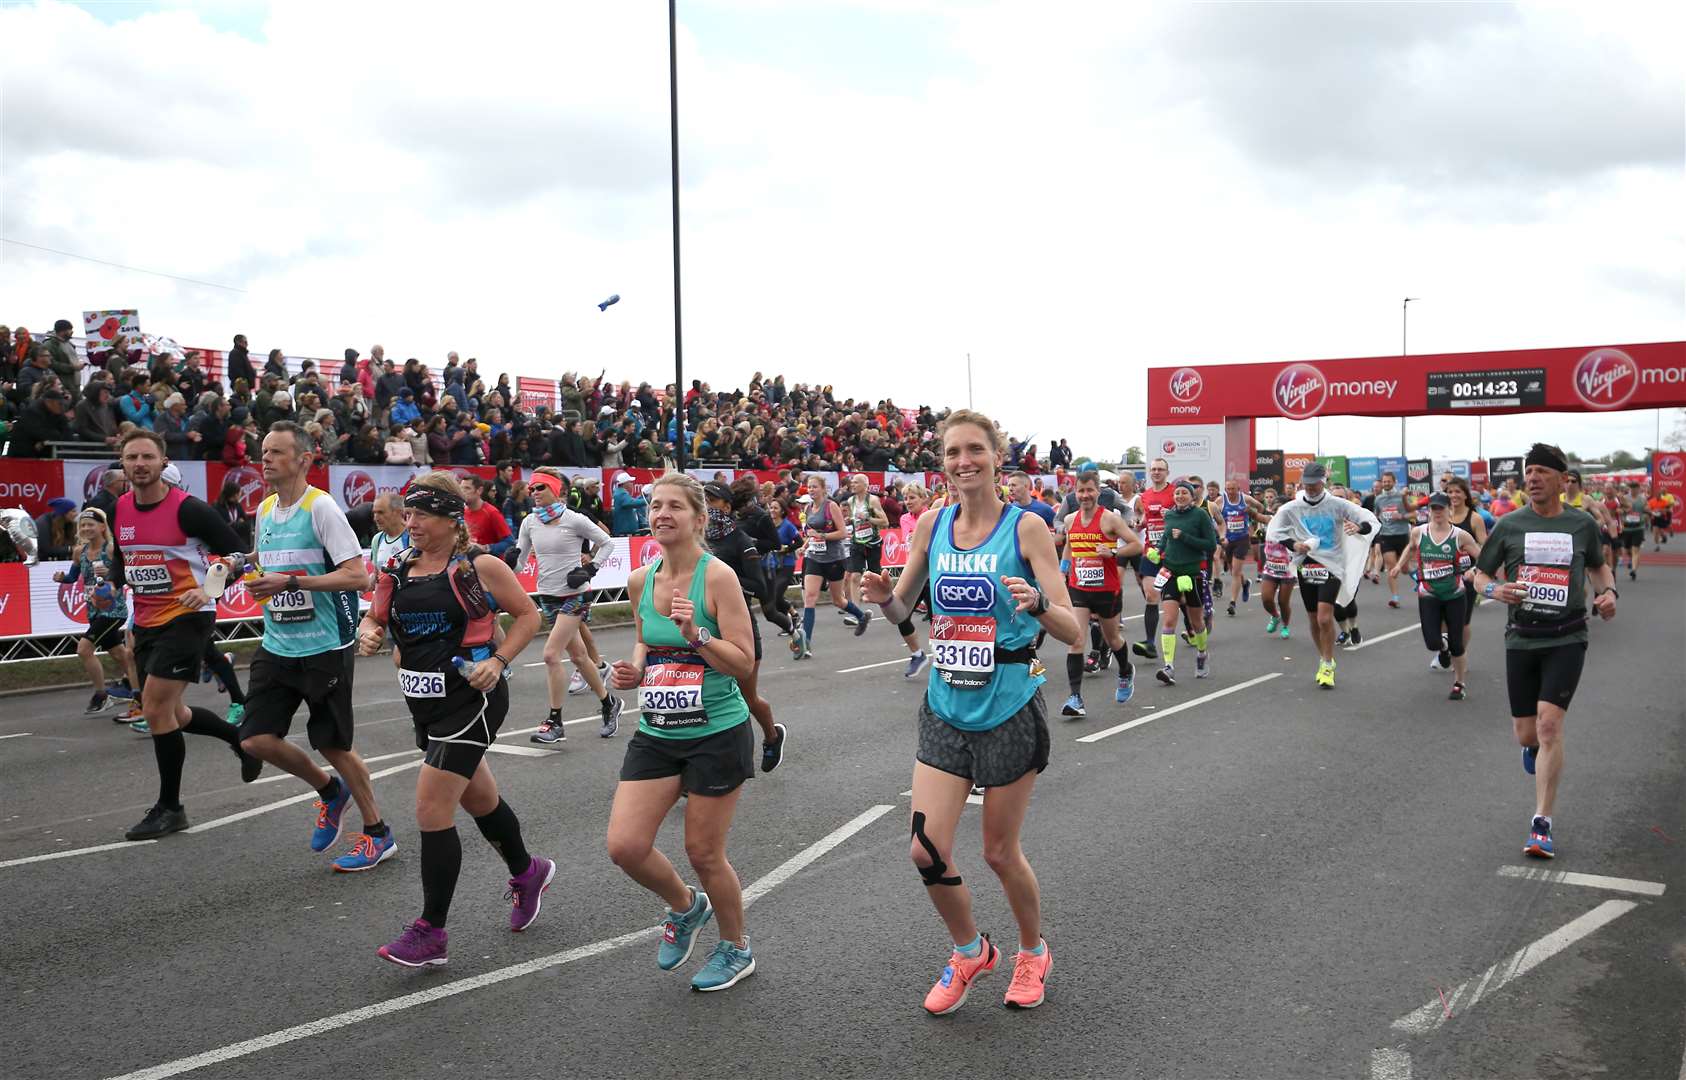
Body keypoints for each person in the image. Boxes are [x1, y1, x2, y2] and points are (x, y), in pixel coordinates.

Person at [859, 409, 1080, 1014]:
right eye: (954, 451)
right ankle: (970, 951)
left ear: (995, 457)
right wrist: (885, 599)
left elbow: (1073, 631)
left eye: (975, 450)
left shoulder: (1027, 529)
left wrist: (1036, 604)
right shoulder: (932, 524)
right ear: (944, 462)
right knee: (925, 849)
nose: (964, 461)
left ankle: (1032, 951)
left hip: (1008, 703)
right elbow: (905, 609)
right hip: (945, 704)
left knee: (999, 853)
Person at [358, 471, 547, 967]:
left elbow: (529, 617)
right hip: (424, 701)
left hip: (473, 699)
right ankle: (529, 872)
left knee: (430, 810)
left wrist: (498, 660)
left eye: (421, 514)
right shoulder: (397, 568)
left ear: (449, 518)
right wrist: (372, 633)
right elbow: (375, 616)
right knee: (480, 799)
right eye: (408, 513)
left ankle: (431, 933)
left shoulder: (479, 566)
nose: (410, 522)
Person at [605, 473, 761, 992]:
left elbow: (743, 663)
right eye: (655, 505)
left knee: (704, 852)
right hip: (658, 729)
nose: (661, 514)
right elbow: (646, 643)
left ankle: (736, 948)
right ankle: (685, 906)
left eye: (675, 506)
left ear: (698, 518)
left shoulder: (717, 578)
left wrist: (698, 636)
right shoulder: (639, 580)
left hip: (717, 731)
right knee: (625, 845)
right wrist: (632, 671)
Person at [234, 422, 394, 870]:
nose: (265, 459)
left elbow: (356, 575)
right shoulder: (265, 509)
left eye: (276, 452)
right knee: (255, 739)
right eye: (263, 451)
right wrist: (240, 564)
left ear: (304, 460)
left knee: (333, 743)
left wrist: (292, 581)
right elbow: (267, 561)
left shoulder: (321, 507)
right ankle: (329, 790)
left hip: (325, 643)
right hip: (278, 643)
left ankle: (378, 833)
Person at [112, 430, 263, 841]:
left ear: (163, 462)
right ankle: (239, 738)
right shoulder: (120, 507)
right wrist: (111, 582)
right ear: (122, 464)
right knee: (175, 715)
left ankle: (171, 808)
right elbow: (120, 559)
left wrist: (209, 588)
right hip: (146, 621)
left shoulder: (189, 510)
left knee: (156, 710)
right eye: (131, 458)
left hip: (188, 618)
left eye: (147, 456)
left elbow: (242, 556)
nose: (139, 464)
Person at [1473, 444, 1616, 860]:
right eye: (1528, 472)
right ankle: (1531, 747)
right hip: (1522, 636)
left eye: (1540, 472)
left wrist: (1608, 592)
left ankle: (1542, 824)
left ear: (1561, 479)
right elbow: (1480, 575)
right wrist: (1495, 589)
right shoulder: (1509, 524)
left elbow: (1598, 566)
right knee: (1528, 732)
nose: (1531, 478)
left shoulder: (1582, 524)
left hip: (1567, 636)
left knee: (1550, 725)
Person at [520, 469, 624, 745]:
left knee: (551, 655)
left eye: (540, 487)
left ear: (556, 489)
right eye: (531, 489)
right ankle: (609, 703)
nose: (534, 492)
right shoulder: (530, 522)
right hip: (548, 595)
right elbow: (518, 562)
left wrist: (590, 569)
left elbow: (607, 543)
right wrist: (506, 561)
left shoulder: (574, 519)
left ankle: (555, 721)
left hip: (574, 595)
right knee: (579, 657)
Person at [1265, 462, 1377, 689]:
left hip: (1332, 565)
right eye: (1307, 484)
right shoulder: (1292, 507)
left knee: (1324, 618)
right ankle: (1325, 658)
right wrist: (1294, 544)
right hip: (1306, 564)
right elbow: (1275, 532)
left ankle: (1326, 664)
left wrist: (1358, 528)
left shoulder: (1336, 504)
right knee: (1313, 618)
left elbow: (1368, 520)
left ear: (1322, 482)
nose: (1311, 488)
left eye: (1315, 484)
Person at [704, 481, 787, 771]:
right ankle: (699, 764)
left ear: (727, 507)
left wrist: (723, 580)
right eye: (703, 500)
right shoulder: (697, 538)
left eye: (712, 501)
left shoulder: (742, 541)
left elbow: (762, 590)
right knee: (703, 696)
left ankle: (772, 736)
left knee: (746, 698)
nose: (706, 506)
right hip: (704, 627)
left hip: (739, 628)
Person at [1056, 470, 1140, 714]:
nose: (1085, 495)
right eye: (1081, 491)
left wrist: (1113, 553)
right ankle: (1075, 699)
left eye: (1090, 490)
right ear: (1075, 492)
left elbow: (1136, 544)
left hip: (1106, 590)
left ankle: (1125, 671)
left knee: (1113, 639)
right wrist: (1063, 571)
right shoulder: (1070, 519)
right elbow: (1069, 548)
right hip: (1080, 588)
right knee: (1076, 639)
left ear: (1098, 492)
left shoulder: (1110, 519)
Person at [1390, 492, 1484, 701]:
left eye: (1441, 508)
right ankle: (1442, 648)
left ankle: (1459, 683)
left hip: (1455, 594)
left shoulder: (1460, 535)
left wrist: (1474, 571)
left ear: (1449, 509)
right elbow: (1410, 548)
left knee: (1457, 644)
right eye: (1434, 508)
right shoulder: (1419, 532)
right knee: (1432, 642)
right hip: (1428, 593)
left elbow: (1483, 558)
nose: (1437, 512)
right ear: (1429, 510)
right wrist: (1398, 565)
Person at [53, 508, 137, 714]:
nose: (86, 528)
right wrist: (62, 577)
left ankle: (101, 695)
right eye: (82, 525)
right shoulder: (79, 552)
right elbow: (74, 577)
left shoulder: (110, 549)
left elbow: (125, 574)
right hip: (93, 610)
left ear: (102, 527)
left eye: (90, 524)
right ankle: (139, 689)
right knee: (119, 654)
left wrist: (110, 573)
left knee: (84, 649)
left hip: (113, 610)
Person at [794, 475, 870, 659]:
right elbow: (810, 534)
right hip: (814, 558)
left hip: (834, 559)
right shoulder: (808, 508)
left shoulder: (831, 506)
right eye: (809, 487)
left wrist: (823, 536)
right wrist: (804, 547)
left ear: (823, 489)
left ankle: (861, 616)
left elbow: (843, 532)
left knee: (838, 599)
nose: (811, 490)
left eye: (814, 487)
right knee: (810, 598)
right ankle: (806, 643)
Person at [1150, 481, 1218, 685]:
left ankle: (1202, 652)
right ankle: (1168, 666)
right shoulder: (1170, 515)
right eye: (1177, 492)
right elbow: (1166, 538)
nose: (1180, 496)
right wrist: (1157, 551)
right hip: (1170, 571)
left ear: (1192, 496)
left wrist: (1186, 537)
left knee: (1196, 621)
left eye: (1184, 493)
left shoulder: (1200, 515)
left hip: (1193, 574)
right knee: (1169, 620)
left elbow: (1210, 544)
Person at [1129, 458, 1176, 660]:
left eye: (1160, 469)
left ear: (1167, 472)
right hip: (1151, 552)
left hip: (1172, 552)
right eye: (1153, 469)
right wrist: (1138, 523)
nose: (1156, 472)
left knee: (1179, 599)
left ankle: (1193, 629)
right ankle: (1150, 643)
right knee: (1151, 596)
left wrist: (1172, 515)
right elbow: (1145, 518)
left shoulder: (1175, 492)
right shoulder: (1145, 496)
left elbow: (1186, 515)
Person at [1215, 476, 1268, 618]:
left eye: (1233, 489)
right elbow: (1211, 514)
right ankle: (1245, 584)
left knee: (1236, 572)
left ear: (1239, 489)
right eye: (1228, 489)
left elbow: (1261, 507)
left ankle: (1232, 603)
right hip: (1228, 540)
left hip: (1242, 539)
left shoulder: (1245, 499)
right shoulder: (1221, 501)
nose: (1231, 491)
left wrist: (1253, 517)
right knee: (1233, 571)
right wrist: (1220, 532)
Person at [1370, 472, 1415, 607]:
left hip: (1402, 535)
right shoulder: (1378, 499)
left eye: (1389, 481)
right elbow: (1377, 515)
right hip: (1386, 536)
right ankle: (1395, 598)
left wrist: (1401, 516)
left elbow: (1414, 513)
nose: (1386, 484)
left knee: (1405, 569)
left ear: (1394, 482)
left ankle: (1421, 581)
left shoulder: (1402, 496)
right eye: (1384, 482)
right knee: (1392, 567)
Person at [457, 475, 513, 556]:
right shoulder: (461, 512)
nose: (462, 492)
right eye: (461, 488)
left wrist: (485, 548)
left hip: (488, 564)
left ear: (479, 490)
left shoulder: (491, 513)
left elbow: (510, 542)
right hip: (467, 563)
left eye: (467, 488)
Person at [611, 471, 649, 535]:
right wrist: (648, 500)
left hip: (624, 532)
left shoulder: (619, 493)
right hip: (624, 533)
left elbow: (632, 501)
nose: (632, 484)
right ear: (625, 483)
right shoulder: (621, 494)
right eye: (630, 482)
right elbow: (632, 503)